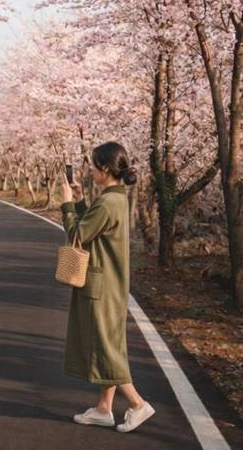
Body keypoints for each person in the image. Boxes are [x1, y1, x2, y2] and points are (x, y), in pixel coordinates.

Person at [59, 141, 156, 433]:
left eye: (93, 165)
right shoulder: (115, 199)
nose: (91, 170)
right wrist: (79, 201)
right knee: (109, 343)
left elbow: (78, 234)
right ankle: (103, 408)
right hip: (111, 284)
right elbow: (94, 227)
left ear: (104, 168)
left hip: (101, 287)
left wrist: (66, 203)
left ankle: (138, 404)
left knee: (105, 347)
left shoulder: (108, 202)